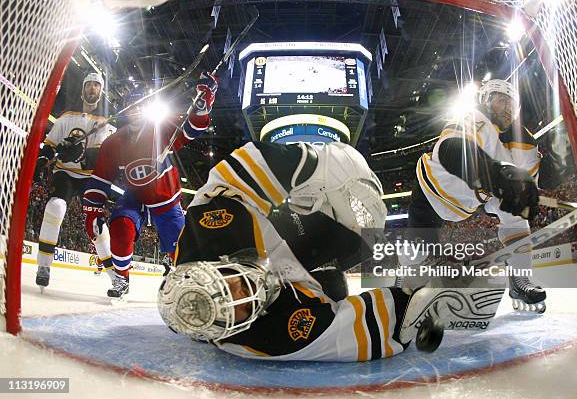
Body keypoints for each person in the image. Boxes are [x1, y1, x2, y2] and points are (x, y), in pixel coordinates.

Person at [157, 141, 502, 361]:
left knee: (352, 193)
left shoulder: (210, 227)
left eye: (229, 287)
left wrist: (309, 165)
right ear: (227, 331)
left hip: (288, 227)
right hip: (304, 277)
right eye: (239, 310)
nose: (244, 294)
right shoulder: (266, 339)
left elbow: (240, 169)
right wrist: (418, 305)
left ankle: (342, 195)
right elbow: (351, 334)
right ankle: (391, 268)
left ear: (218, 263)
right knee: (336, 288)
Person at [399, 78, 545, 312]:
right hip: (436, 187)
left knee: (517, 218)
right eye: (501, 101)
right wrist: (496, 175)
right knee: (419, 245)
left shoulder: (525, 142)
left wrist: (530, 189)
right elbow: (451, 151)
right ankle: (404, 283)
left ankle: (520, 280)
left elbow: (526, 185)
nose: (507, 108)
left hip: (478, 195)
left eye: (512, 104)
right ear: (485, 101)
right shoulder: (476, 118)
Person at [82, 73, 217, 298]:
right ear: (125, 110)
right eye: (131, 106)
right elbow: (101, 178)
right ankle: (121, 279)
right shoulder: (113, 142)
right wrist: (92, 210)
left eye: (141, 106)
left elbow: (192, 128)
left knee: (181, 247)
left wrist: (203, 102)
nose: (135, 110)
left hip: (165, 196)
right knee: (121, 227)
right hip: (134, 195)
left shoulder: (161, 126)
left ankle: (181, 275)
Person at [34, 72, 115, 291]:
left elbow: (100, 155)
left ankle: (115, 275)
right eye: (88, 85)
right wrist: (45, 157)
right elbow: (50, 145)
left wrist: (78, 152)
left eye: (96, 85)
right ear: (82, 89)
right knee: (55, 206)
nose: (92, 88)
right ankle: (43, 266)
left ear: (101, 91)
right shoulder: (67, 116)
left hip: (89, 177)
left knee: (96, 225)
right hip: (66, 174)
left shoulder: (104, 122)